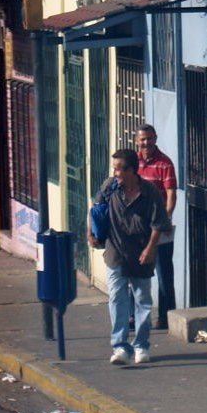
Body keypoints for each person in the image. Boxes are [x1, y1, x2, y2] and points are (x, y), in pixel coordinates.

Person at [88, 148, 167, 366]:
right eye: (114, 169)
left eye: (119, 169)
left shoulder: (150, 192)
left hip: (141, 253)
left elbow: (159, 223)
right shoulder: (110, 187)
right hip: (116, 252)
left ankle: (141, 345)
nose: (115, 173)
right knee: (117, 298)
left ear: (132, 170)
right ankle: (120, 346)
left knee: (142, 300)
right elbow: (95, 209)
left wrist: (150, 248)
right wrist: (92, 234)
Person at [134, 124, 178, 329]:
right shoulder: (132, 164)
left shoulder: (165, 163)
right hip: (136, 229)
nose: (147, 143)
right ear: (137, 141)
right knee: (133, 272)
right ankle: (134, 317)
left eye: (150, 139)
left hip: (159, 228)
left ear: (155, 139)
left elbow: (171, 195)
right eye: (143, 139)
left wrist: (165, 219)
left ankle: (165, 317)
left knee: (163, 274)